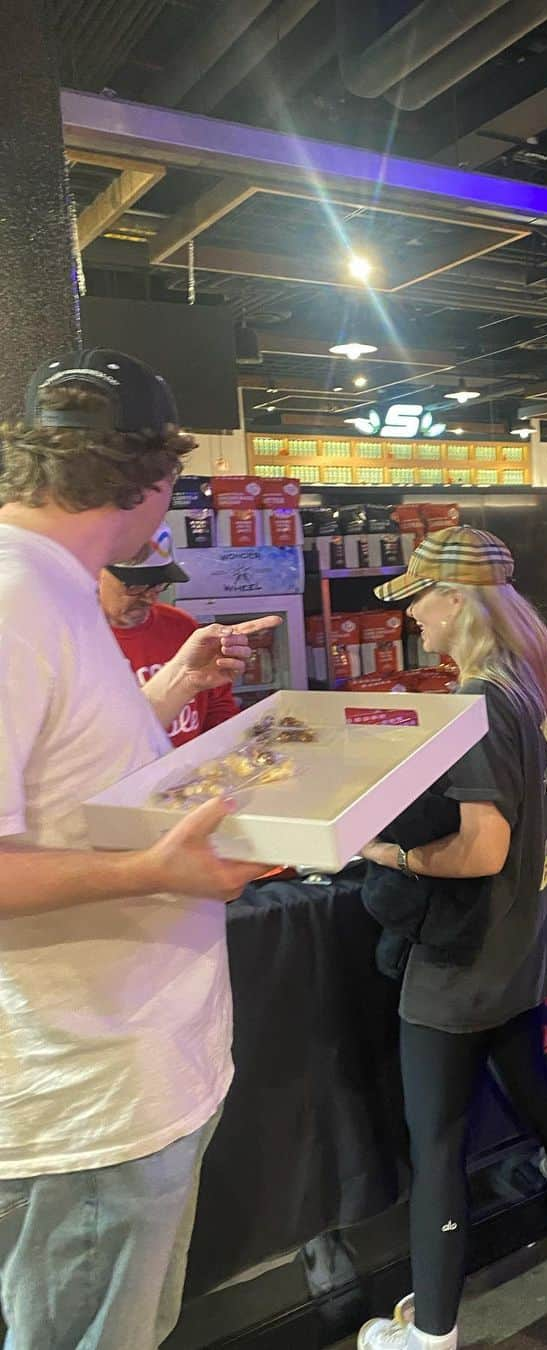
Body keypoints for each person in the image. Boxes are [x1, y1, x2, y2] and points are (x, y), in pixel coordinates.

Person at [0, 349, 277, 1350]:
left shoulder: (55, 584)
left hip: (127, 1072)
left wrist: (169, 688)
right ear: (153, 482)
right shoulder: (17, 594)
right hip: (86, 1096)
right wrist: (148, 873)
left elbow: (67, 783)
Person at [355, 526, 547, 1350]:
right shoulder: (527, 686)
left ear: (457, 601)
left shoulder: (477, 701)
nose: (413, 615)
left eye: (421, 597)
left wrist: (389, 851)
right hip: (522, 951)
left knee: (437, 1145)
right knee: (536, 1085)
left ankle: (432, 1332)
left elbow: (482, 849)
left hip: (463, 960)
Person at [100, 523, 241, 747]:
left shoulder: (182, 626)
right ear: (95, 572)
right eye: (136, 586)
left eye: (157, 586)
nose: (149, 598)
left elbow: (217, 706)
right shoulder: (74, 641)